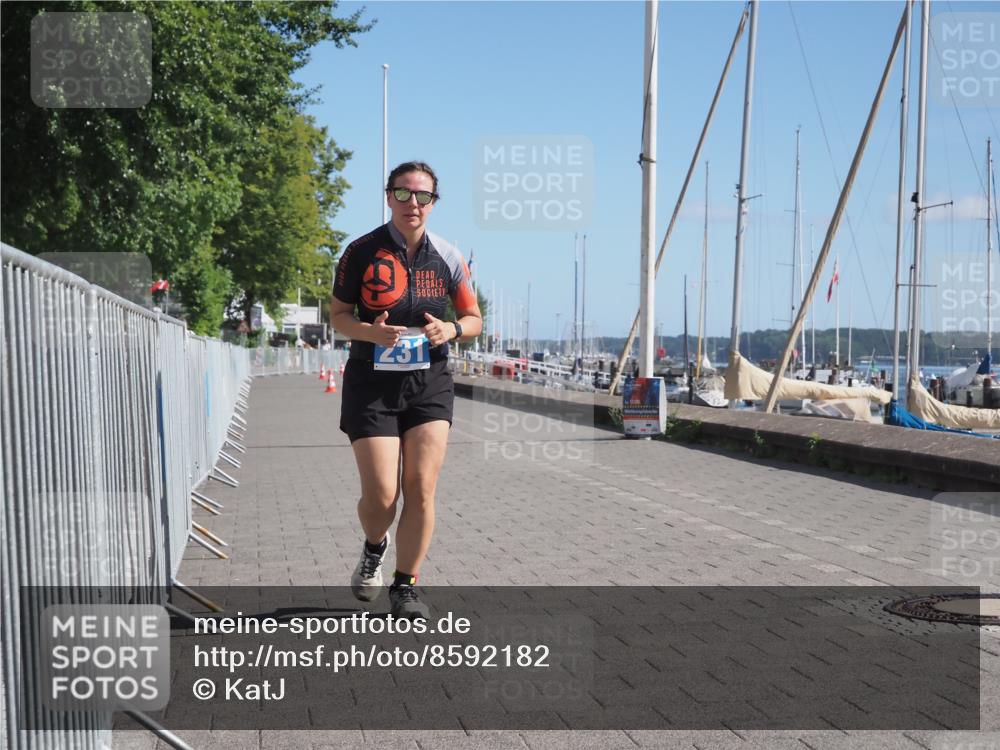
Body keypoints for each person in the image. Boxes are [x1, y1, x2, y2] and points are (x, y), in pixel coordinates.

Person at [330, 161, 482, 620]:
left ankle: (405, 586)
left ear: (434, 203)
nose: (412, 203)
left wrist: (451, 331)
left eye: (422, 196)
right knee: (381, 496)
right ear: (388, 196)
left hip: (429, 383)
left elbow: (474, 319)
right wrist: (369, 333)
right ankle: (375, 546)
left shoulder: (450, 256)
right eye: (403, 194)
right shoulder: (360, 252)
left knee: (420, 487)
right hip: (371, 382)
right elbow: (337, 318)